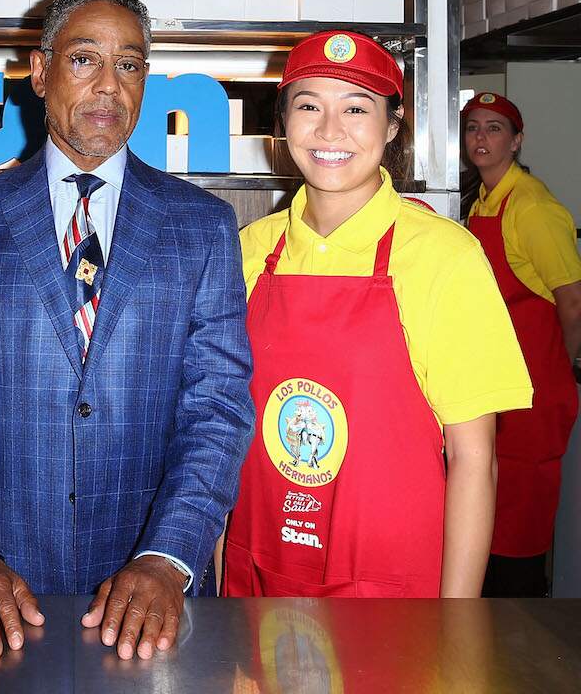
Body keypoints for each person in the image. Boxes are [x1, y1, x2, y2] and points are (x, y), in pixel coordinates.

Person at [0, 0, 254, 662]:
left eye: (129, 64)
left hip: (152, 597)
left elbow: (218, 408)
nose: (109, 87)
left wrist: (168, 557)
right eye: (85, 59)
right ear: (39, 71)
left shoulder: (202, 225)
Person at [223, 31, 532, 598]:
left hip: (391, 590)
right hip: (260, 572)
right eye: (309, 105)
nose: (329, 131)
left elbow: (474, 459)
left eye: (357, 109)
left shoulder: (445, 256)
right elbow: (218, 434)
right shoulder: (247, 250)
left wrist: (455, 622)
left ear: (392, 129)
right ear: (283, 124)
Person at [462, 92, 581, 597]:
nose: (481, 139)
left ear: (517, 140)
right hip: (499, 382)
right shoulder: (482, 201)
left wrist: (565, 368)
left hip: (535, 388)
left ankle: (522, 638)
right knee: (490, 508)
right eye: (473, 128)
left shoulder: (532, 206)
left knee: (521, 521)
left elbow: (573, 302)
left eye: (494, 129)